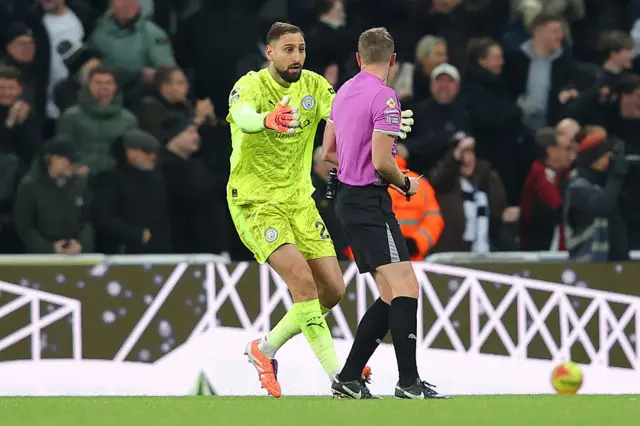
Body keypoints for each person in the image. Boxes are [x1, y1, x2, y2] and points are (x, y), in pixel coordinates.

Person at [226, 22, 368, 398]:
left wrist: (380, 121)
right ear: (270, 52)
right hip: (256, 201)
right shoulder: (251, 86)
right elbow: (242, 117)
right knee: (303, 283)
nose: (297, 57)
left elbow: (342, 112)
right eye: (288, 49)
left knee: (334, 290)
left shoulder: (314, 85)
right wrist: (266, 120)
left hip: (299, 200)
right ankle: (341, 377)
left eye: (301, 49)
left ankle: (265, 348)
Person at [322, 27, 449, 400]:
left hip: (347, 200)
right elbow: (381, 160)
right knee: (408, 288)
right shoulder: (385, 96)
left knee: (393, 294)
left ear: (359, 59)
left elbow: (328, 151)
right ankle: (408, 383)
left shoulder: (343, 91)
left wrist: (359, 159)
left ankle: (348, 378)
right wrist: (405, 182)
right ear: (393, 60)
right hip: (369, 201)